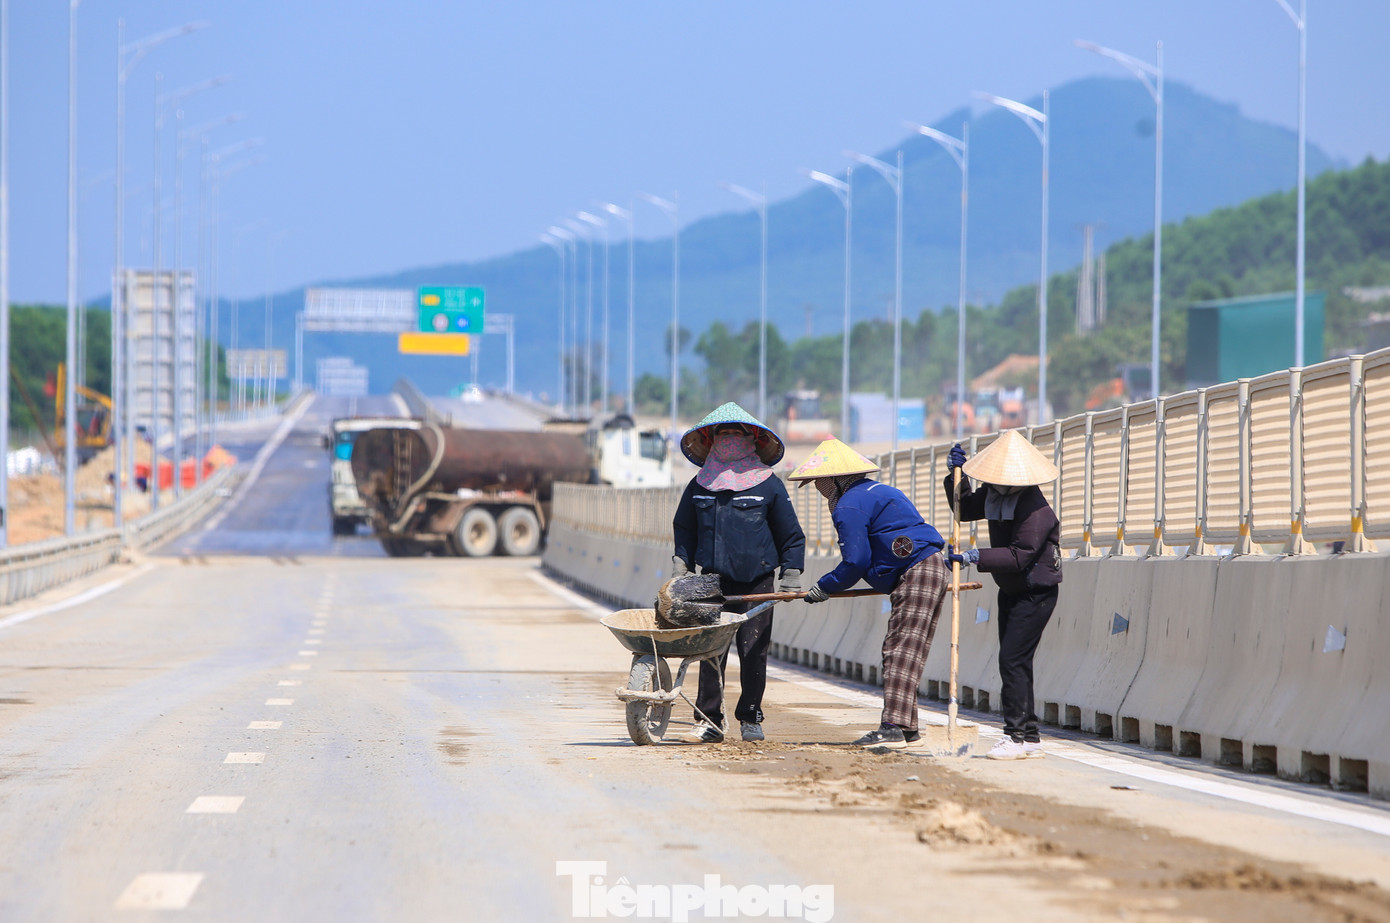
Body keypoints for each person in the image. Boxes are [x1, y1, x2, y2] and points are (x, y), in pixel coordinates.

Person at [789, 438, 948, 750]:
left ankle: (892, 727)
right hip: (931, 567)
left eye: (819, 482)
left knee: (899, 650)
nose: (819, 490)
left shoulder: (849, 506)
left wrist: (826, 585)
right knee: (908, 650)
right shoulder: (881, 491)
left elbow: (856, 561)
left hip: (915, 571)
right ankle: (907, 727)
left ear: (835, 479)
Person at [672, 402, 805, 743]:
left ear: (752, 440)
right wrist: (681, 565)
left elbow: (791, 535)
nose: (729, 439)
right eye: (723, 434)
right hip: (710, 581)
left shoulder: (769, 486)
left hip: (757, 579)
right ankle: (709, 720)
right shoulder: (699, 485)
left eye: (736, 434)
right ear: (712, 440)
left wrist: (791, 574)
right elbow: (684, 529)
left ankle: (750, 716)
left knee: (753, 651)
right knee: (710, 651)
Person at [944, 430, 1062, 761]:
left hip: (1035, 593)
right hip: (1009, 589)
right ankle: (1030, 738)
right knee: (1017, 662)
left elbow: (1019, 555)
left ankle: (1013, 735)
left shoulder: (1036, 508)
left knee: (1011, 660)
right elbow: (963, 509)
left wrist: (974, 556)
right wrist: (955, 476)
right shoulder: (995, 495)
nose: (991, 482)